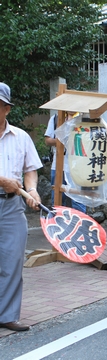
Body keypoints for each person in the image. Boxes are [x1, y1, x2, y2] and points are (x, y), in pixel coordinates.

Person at [0, 82, 42, 332]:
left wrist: (33, 190)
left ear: (6, 108)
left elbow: (30, 171)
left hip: (12, 207)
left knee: (12, 261)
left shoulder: (21, 137)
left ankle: (7, 315)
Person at [44, 112, 87, 212]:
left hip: (78, 166)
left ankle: (80, 224)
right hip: (58, 165)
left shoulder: (83, 118)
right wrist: (61, 141)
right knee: (57, 199)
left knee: (78, 200)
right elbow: (48, 140)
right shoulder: (56, 118)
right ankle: (58, 222)